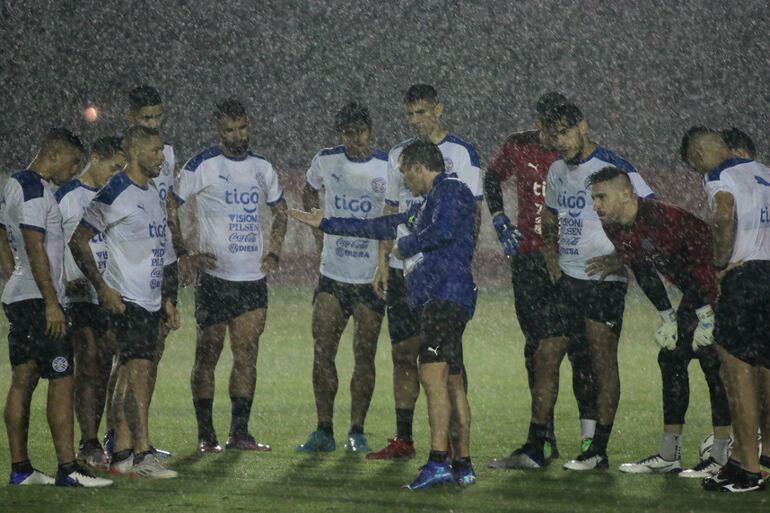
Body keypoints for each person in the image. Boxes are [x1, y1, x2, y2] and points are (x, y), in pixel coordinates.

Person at [290, 139, 478, 489]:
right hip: (445, 300)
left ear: (419, 167)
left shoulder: (449, 191)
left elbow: (442, 232)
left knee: (432, 377)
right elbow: (380, 226)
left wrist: (406, 246)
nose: (405, 181)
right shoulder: (426, 204)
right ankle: (463, 465)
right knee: (451, 380)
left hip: (443, 299)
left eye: (406, 173)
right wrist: (328, 223)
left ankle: (438, 462)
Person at [586, 166, 731, 478]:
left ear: (626, 194)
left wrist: (706, 315)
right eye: (594, 198)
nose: (596, 205)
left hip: (721, 287)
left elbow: (701, 263)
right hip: (695, 293)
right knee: (671, 358)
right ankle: (670, 455)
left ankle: (721, 456)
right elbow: (642, 269)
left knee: (712, 362)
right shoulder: (615, 224)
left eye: (601, 197)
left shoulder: (664, 218)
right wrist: (667, 316)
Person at [535, 101, 656, 471]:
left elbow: (651, 216)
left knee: (603, 363)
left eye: (565, 132)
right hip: (568, 281)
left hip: (604, 283)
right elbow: (550, 215)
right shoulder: (557, 169)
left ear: (583, 127)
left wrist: (622, 260)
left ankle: (598, 449)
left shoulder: (615, 166)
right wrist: (552, 262)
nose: (560, 141)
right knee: (544, 354)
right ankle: (536, 442)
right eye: (553, 134)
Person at [367, 84, 483, 460]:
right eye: (410, 114)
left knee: (447, 365)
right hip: (405, 269)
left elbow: (471, 213)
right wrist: (383, 263)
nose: (416, 121)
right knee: (403, 352)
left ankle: (450, 447)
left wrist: (458, 262)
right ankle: (404, 438)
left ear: (439, 110)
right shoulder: (398, 154)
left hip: (441, 274)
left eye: (422, 112)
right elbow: (390, 211)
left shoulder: (461, 154)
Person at [485, 92, 597, 470]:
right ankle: (543, 439)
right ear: (537, 121)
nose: (551, 135)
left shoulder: (574, 154)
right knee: (536, 348)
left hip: (571, 262)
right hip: (531, 260)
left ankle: (589, 440)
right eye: (546, 126)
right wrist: (499, 216)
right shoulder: (519, 144)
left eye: (557, 127)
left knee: (580, 349)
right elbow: (491, 177)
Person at [173, 99, 288, 453]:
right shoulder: (202, 165)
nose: (236, 136)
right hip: (215, 276)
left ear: (248, 125)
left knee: (247, 354)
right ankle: (206, 435)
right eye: (228, 130)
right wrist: (183, 253)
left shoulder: (263, 167)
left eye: (241, 128)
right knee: (207, 354)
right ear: (217, 131)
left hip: (252, 278)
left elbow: (281, 211)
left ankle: (239, 433)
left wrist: (274, 250)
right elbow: (168, 206)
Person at [0, 128, 111, 487]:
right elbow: (34, 249)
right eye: (73, 161)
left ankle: (21, 469)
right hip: (39, 302)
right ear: (55, 153)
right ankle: (68, 468)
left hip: (21, 297)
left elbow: (3, 236)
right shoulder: (34, 192)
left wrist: (12, 277)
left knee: (23, 380)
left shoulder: (15, 185)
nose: (75, 169)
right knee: (63, 379)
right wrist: (50, 302)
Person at [70, 125, 178, 478]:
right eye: (156, 151)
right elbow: (79, 239)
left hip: (148, 301)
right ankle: (143, 455)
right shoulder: (117, 190)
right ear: (134, 152)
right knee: (138, 374)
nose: (162, 157)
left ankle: (121, 454)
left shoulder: (149, 192)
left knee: (127, 377)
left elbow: (157, 249)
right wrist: (102, 288)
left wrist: (166, 298)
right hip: (126, 301)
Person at [680, 126, 770, 492]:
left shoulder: (719, 174)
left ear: (700, 155)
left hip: (745, 278)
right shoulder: (764, 170)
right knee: (765, 367)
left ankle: (748, 467)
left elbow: (722, 214)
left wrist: (719, 262)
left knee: (736, 370)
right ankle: (752, 458)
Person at [296, 102, 387, 453]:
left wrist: (384, 260)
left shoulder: (386, 166)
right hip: (332, 276)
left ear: (371, 132)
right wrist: (319, 232)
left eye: (359, 133)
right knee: (323, 351)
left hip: (369, 279)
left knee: (364, 356)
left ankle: (357, 431)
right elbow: (307, 188)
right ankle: (323, 430)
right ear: (340, 135)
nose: (354, 140)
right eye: (347, 134)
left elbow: (393, 212)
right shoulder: (326, 160)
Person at [55, 136, 125, 469]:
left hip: (106, 294)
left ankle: (101, 439)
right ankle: (87, 442)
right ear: (94, 158)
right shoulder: (65, 197)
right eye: (113, 168)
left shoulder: (112, 198)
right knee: (89, 362)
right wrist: (63, 280)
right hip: (77, 296)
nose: (116, 175)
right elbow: (44, 246)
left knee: (104, 365)